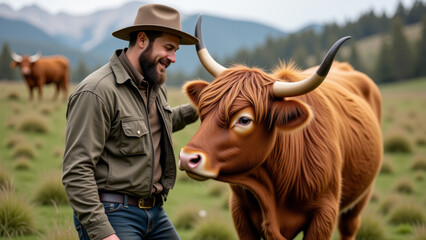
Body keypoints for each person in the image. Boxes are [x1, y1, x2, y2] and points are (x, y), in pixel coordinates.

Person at [62, 4, 199, 240]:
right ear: (143, 40)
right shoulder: (97, 92)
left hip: (155, 213)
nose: (173, 58)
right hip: (112, 214)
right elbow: (76, 171)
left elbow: (160, 124)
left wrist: (202, 105)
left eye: (175, 50)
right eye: (168, 48)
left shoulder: (153, 85)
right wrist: (103, 233)